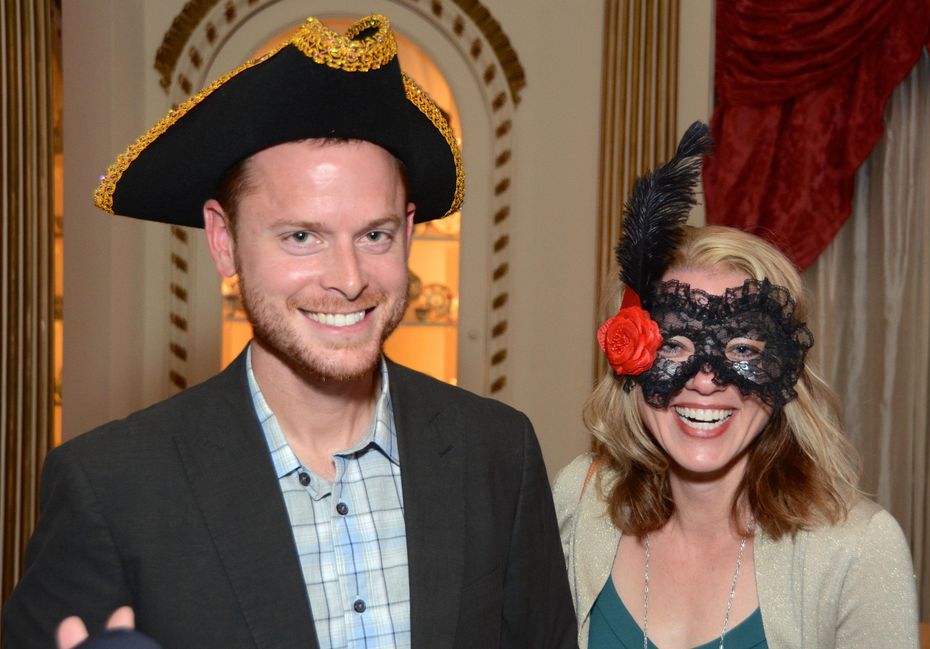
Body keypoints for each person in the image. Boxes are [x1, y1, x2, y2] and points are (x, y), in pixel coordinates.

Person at [3, 14, 575, 649]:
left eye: (375, 234)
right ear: (224, 242)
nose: (349, 279)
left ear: (409, 232)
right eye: (302, 236)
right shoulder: (110, 489)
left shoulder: (498, 454)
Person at [552, 122, 919, 649]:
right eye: (675, 346)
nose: (705, 380)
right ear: (630, 359)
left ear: (784, 373)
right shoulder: (583, 500)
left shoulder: (858, 548)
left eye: (742, 350)